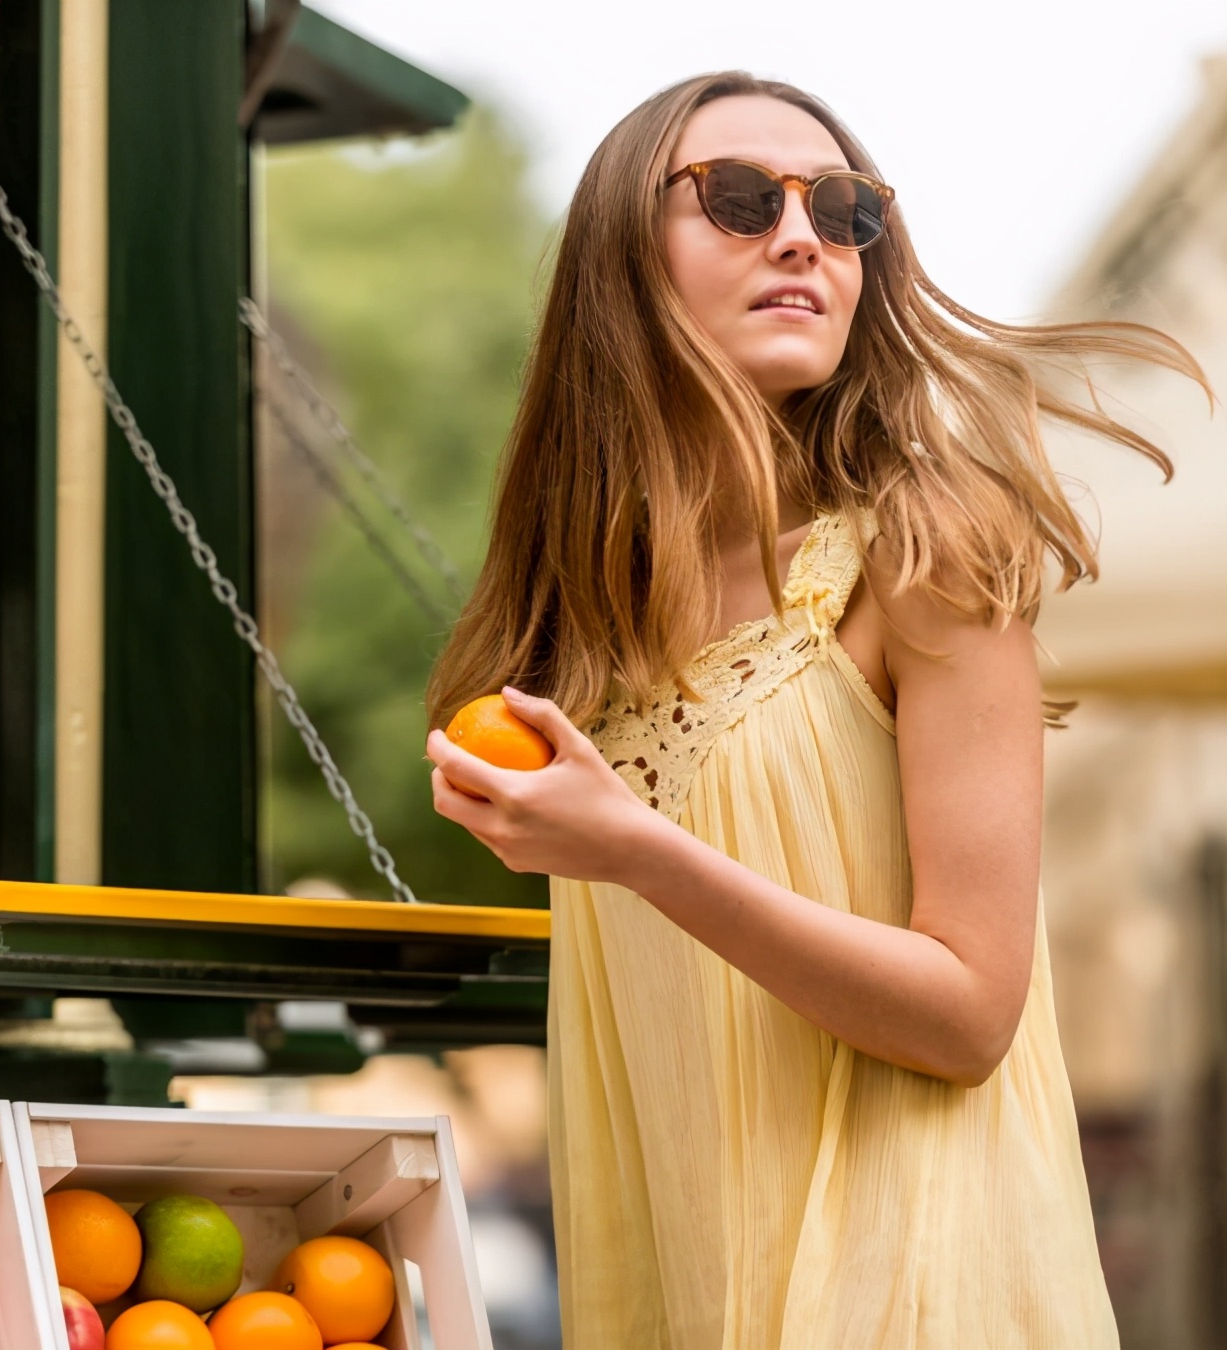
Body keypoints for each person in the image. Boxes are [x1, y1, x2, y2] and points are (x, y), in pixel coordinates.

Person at [424, 71, 1209, 1348]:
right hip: (687, 1290)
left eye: (843, 211)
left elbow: (968, 1013)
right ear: (621, 259)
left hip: (919, 1295)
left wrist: (633, 848)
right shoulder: (586, 634)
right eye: (737, 198)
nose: (800, 235)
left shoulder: (925, 557)